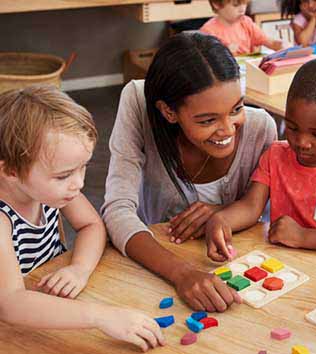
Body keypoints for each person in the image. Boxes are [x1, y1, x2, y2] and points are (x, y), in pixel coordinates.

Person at [101, 32, 277, 312]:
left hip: (233, 273)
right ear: (169, 112)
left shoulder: (260, 129)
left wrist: (223, 211)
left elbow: (261, 210)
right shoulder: (138, 101)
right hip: (155, 263)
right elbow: (117, 210)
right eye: (207, 120)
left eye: (236, 109)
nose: (228, 130)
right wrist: (182, 273)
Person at [0, 86, 165, 352]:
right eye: (64, 175)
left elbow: (91, 225)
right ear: (10, 170)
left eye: (83, 167)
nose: (78, 183)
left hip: (50, 305)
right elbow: (10, 303)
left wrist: (80, 268)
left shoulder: (47, 189)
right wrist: (101, 316)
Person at [205, 59, 316, 262]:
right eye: (292, 128)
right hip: (282, 265)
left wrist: (303, 236)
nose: (302, 142)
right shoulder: (275, 155)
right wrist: (221, 220)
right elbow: (251, 207)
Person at [200, 0, 283, 55]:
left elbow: (268, 42)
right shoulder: (208, 31)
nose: (242, 9)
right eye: (236, 5)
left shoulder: (246, 22)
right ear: (216, 4)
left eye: (245, 4)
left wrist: (279, 45)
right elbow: (206, 62)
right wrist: (225, 53)